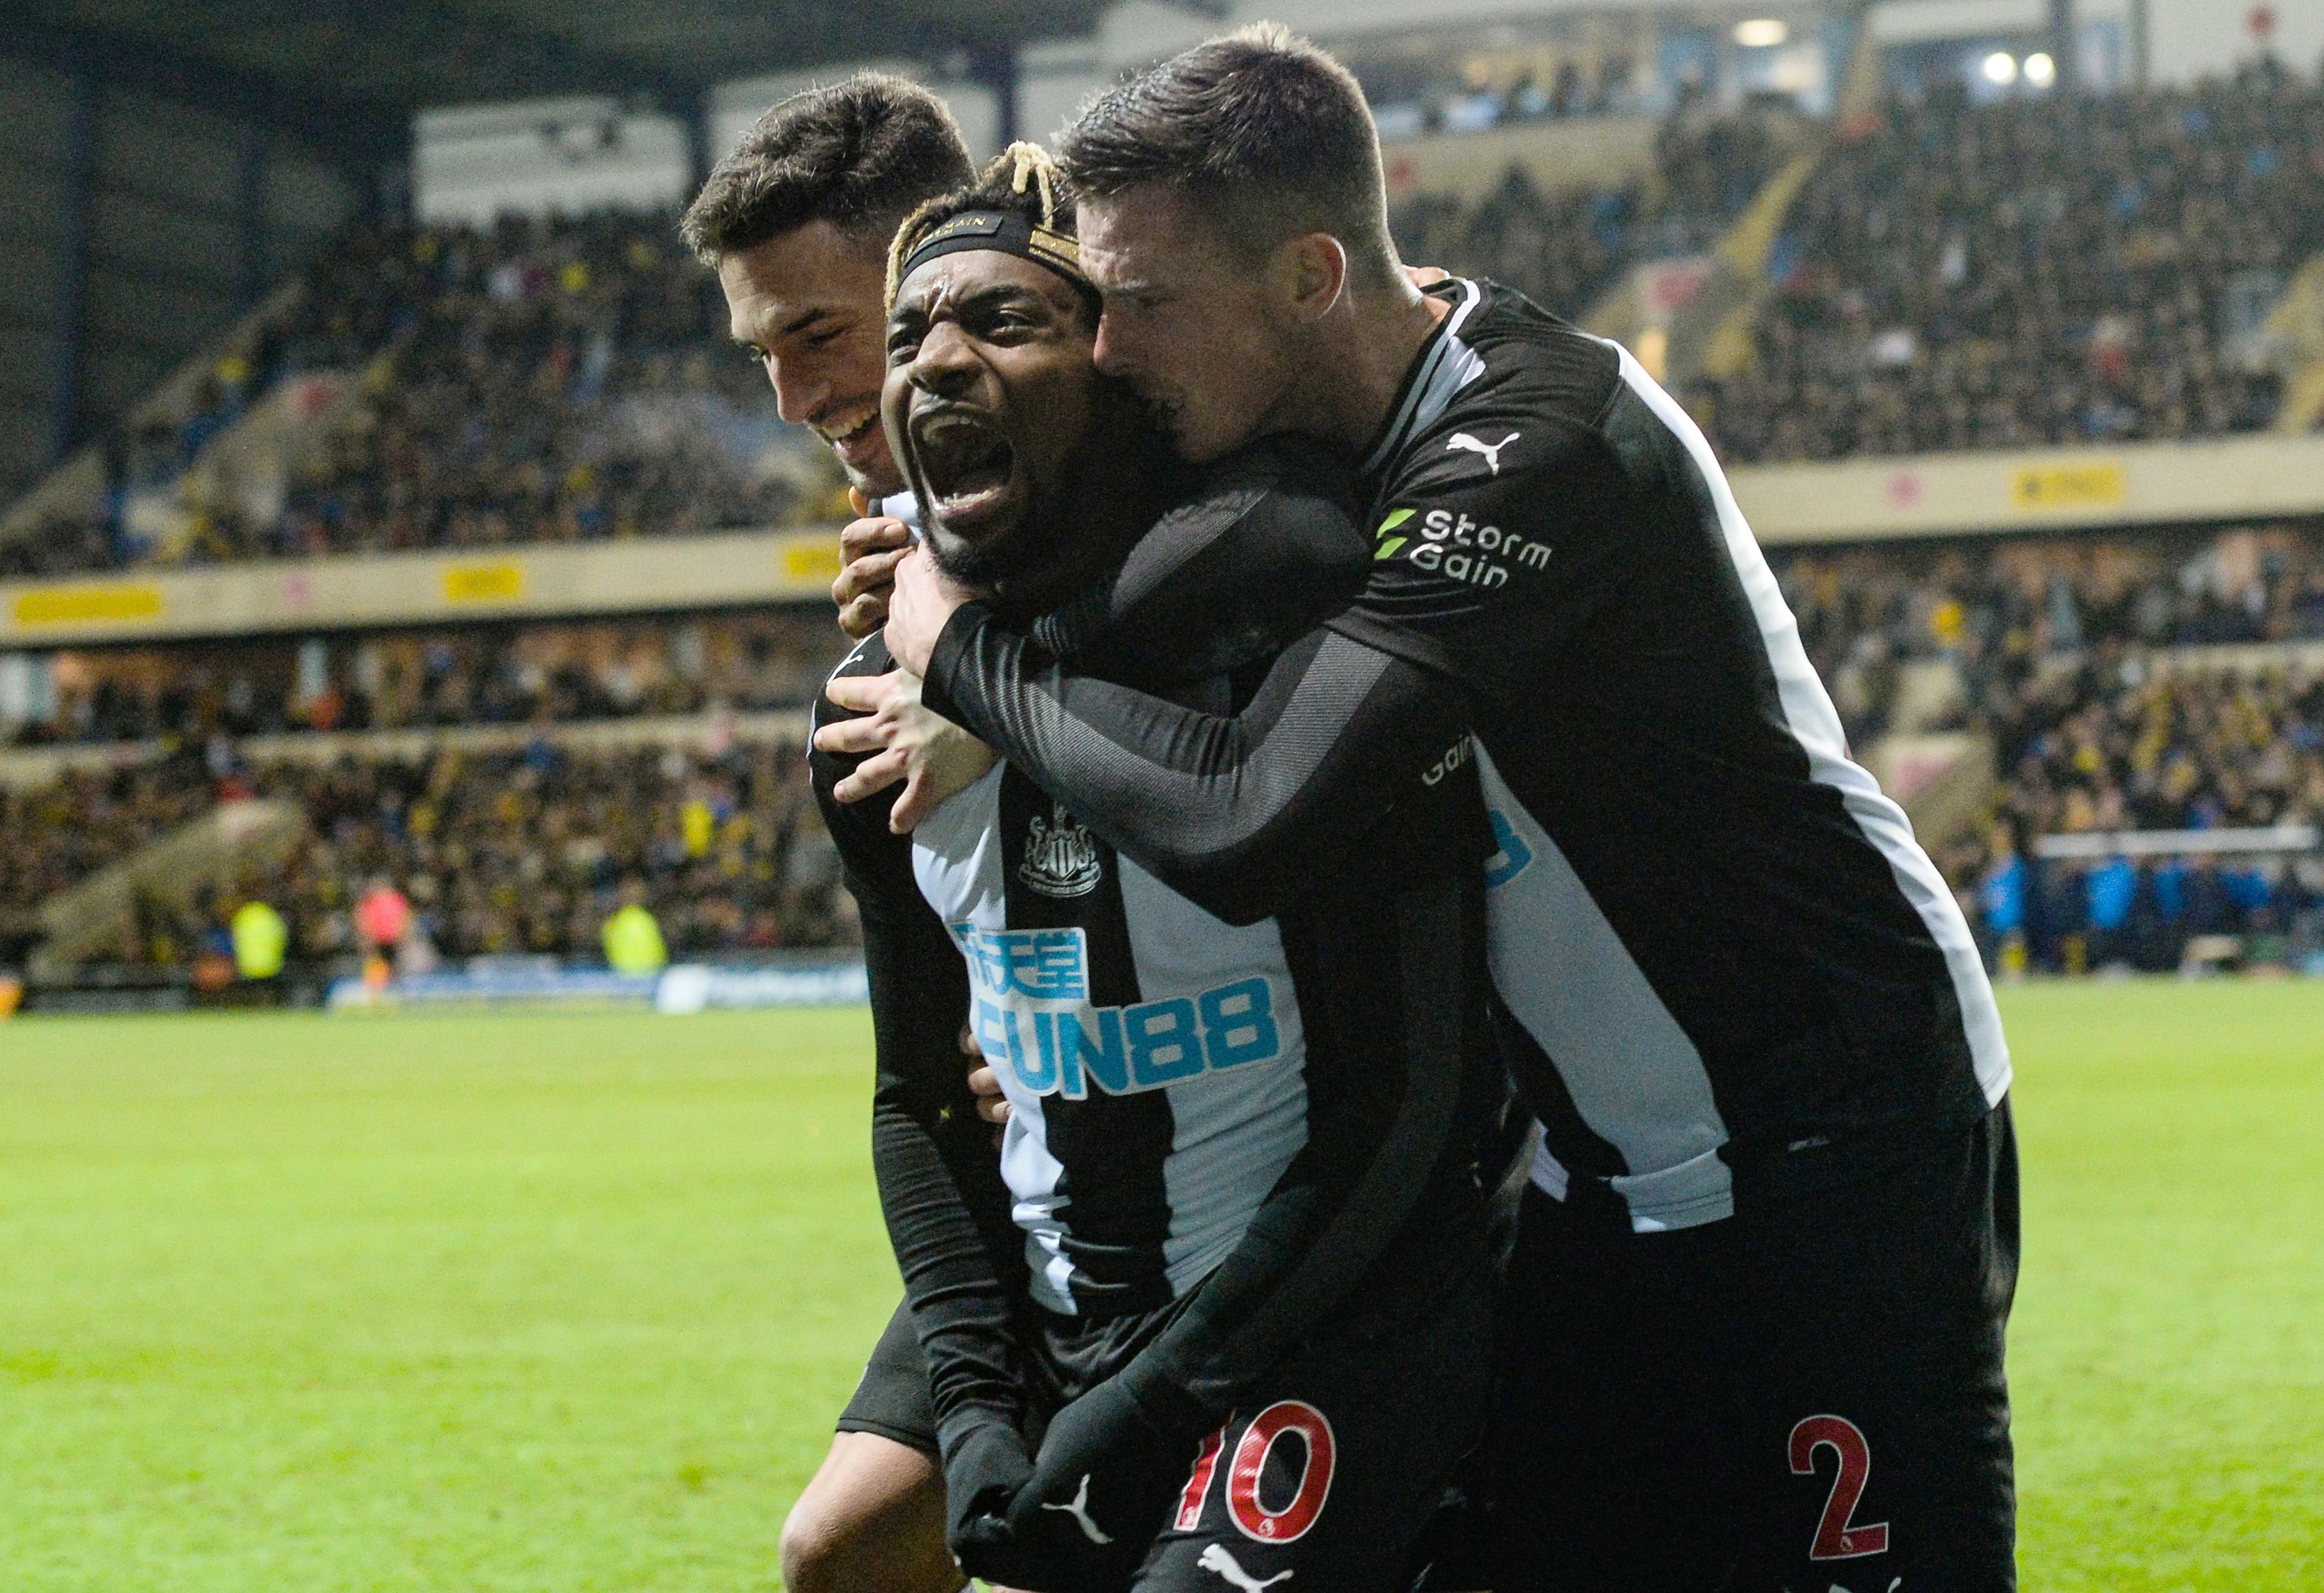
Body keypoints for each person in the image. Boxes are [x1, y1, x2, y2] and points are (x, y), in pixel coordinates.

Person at [844, 26, 2017, 1593]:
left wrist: (959, 652)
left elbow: (1256, 815)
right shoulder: (1297, 447)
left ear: (1310, 277)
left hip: (1832, 1131)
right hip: (1586, 1179)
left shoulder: (1535, 444)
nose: (1110, 351)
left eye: (1144, 304)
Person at [817, 146, 1515, 1593]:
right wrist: (974, 1404)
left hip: (1325, 1316)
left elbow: (1409, 1102)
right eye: (907, 337)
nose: (934, 362)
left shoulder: (1276, 647)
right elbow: (916, 1097)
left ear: (1119, 373)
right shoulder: (864, 728)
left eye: (1002, 322)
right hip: (1075, 1290)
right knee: (838, 1552)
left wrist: (1139, 1413)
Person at [679, 73, 984, 1593]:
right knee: (843, 1553)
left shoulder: (1201, 521)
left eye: (819, 331)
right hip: (1039, 1194)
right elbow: (913, 1076)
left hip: (1280, 1177)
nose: (794, 403)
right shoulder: (868, 677)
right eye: (761, 357)